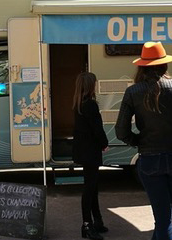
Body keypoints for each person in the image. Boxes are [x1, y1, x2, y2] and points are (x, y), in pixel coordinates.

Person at [115, 42, 172, 240]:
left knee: (163, 219)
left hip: (149, 158)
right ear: (164, 65)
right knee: (165, 217)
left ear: (142, 66)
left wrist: (138, 141)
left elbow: (121, 131)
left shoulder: (133, 92)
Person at [72, 72, 109, 240]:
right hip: (91, 151)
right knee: (90, 188)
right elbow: (97, 128)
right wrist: (104, 143)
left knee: (92, 186)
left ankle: (96, 221)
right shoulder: (91, 105)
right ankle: (87, 224)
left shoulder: (78, 104)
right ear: (90, 85)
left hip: (82, 149)